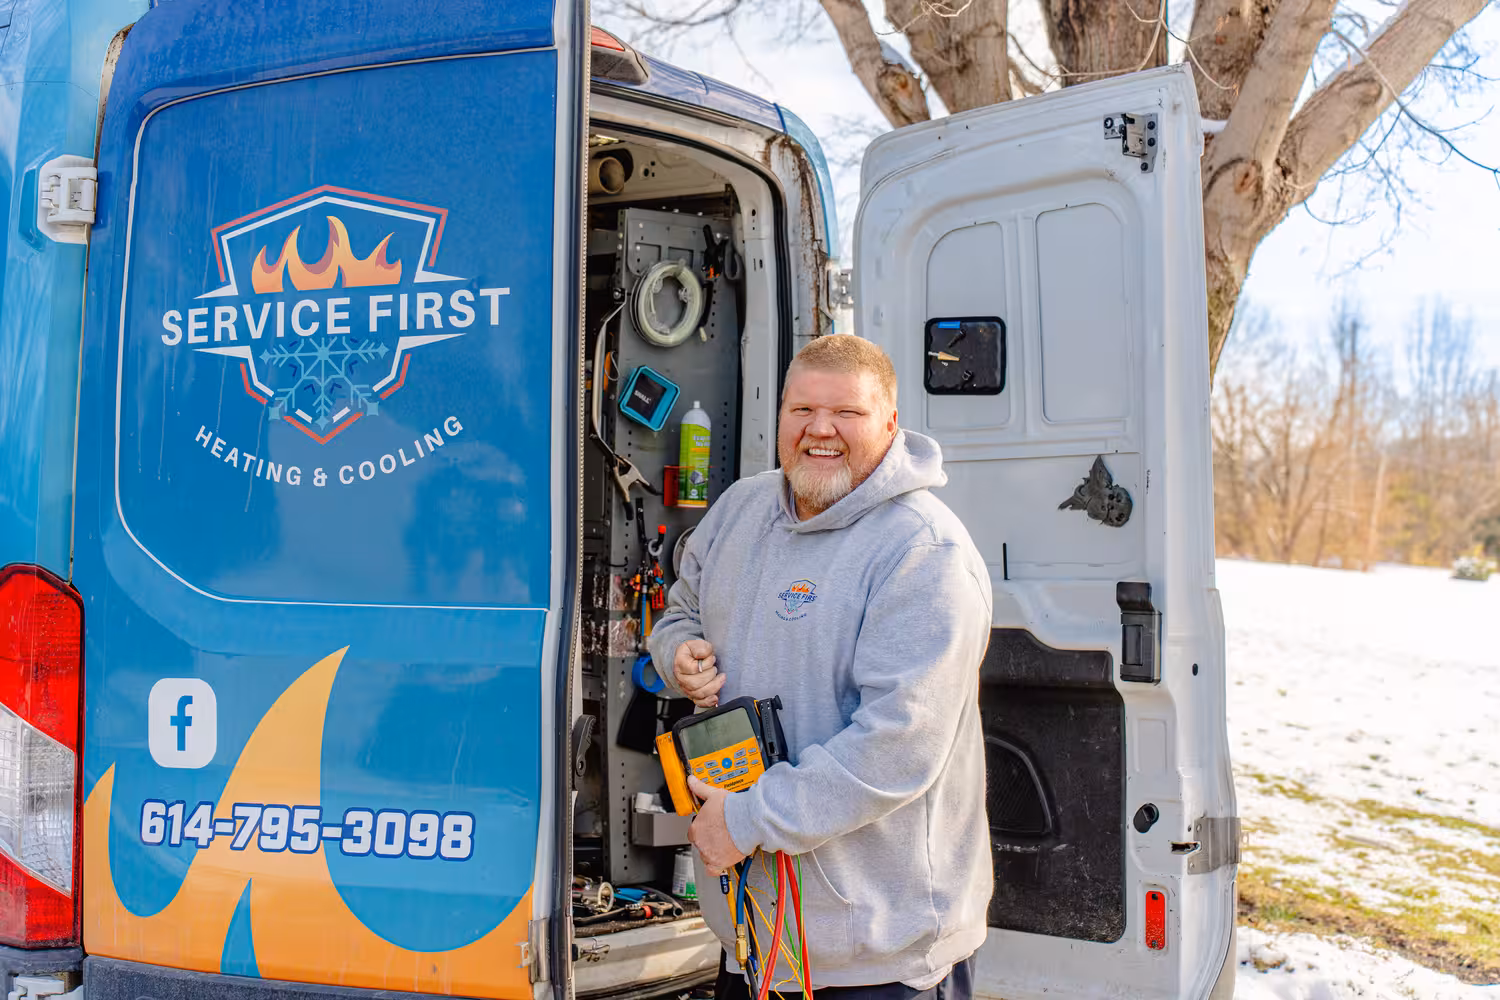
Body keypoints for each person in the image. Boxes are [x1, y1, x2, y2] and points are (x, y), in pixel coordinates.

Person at [648, 334, 993, 1000]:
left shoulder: (924, 552)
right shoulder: (742, 511)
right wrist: (678, 654)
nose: (820, 430)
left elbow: (897, 746)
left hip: (877, 958)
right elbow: (680, 613)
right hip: (755, 942)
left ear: (890, 423)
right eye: (801, 409)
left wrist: (746, 822)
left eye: (847, 413)